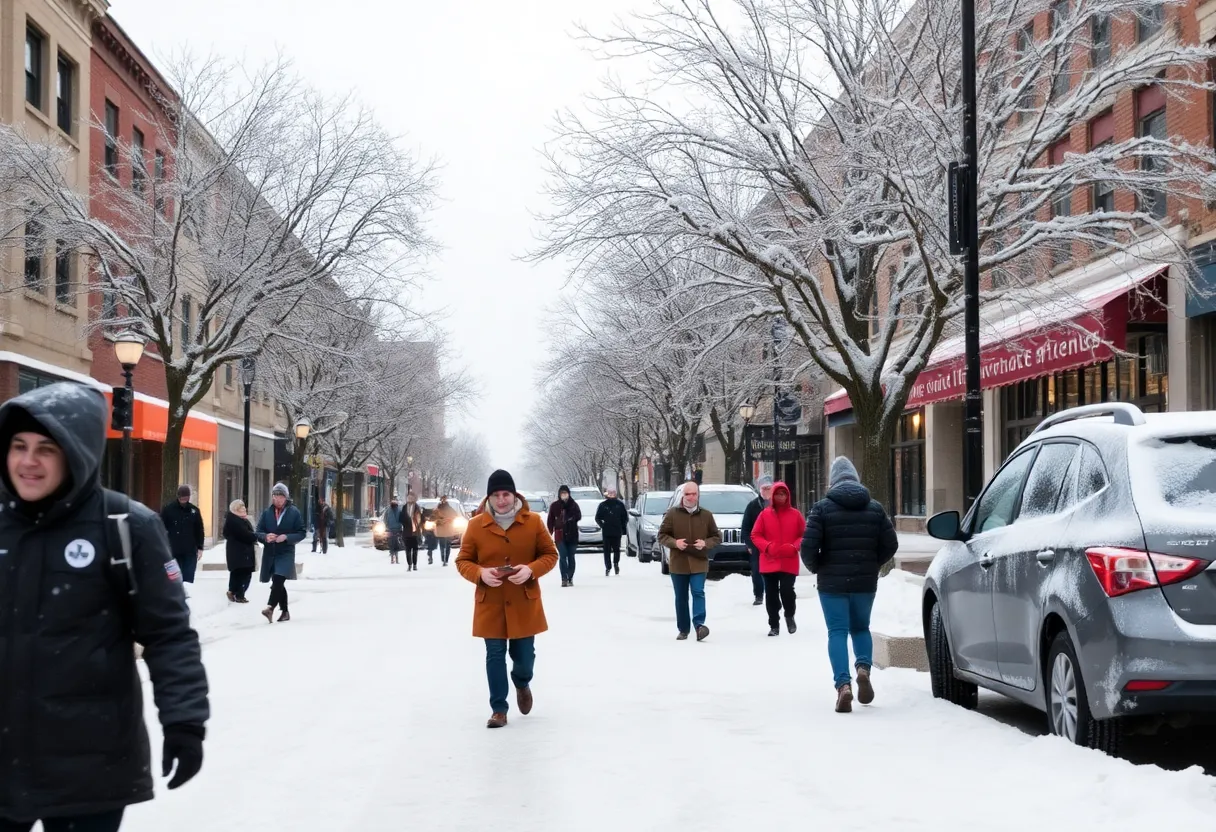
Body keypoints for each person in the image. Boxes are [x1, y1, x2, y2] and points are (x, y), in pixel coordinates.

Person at [0, 383, 209, 831]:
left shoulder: (125, 526)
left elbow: (169, 637)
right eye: (18, 446)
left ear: (76, 453)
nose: (27, 461)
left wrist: (185, 722)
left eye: (45, 449)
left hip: (88, 767)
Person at [456, 470, 558, 728]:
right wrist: (479, 573)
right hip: (490, 601)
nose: (501, 500)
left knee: (524, 658)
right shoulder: (475, 525)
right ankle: (498, 709)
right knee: (494, 654)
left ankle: (522, 682)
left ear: (514, 495)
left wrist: (530, 570)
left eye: (506, 494)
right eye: (496, 495)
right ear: (489, 497)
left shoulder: (533, 522)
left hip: (523, 600)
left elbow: (550, 554)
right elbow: (463, 561)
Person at [801, 456, 899, 713]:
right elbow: (891, 545)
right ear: (856, 480)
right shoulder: (875, 508)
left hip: (832, 583)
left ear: (832, 482)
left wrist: (818, 567)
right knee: (860, 628)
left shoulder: (821, 508)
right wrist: (872, 563)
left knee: (837, 632)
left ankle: (843, 686)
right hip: (865, 582)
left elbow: (808, 546)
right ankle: (864, 668)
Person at [657, 481, 720, 642]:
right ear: (682, 496)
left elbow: (717, 536)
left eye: (694, 494)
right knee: (681, 596)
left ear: (698, 495)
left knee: (698, 592)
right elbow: (662, 535)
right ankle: (683, 629)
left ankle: (699, 626)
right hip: (679, 562)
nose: (691, 497)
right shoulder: (672, 514)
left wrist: (706, 543)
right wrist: (675, 543)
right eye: (687, 494)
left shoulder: (706, 515)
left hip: (699, 561)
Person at [748, 482, 805, 637]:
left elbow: (803, 534)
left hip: (788, 559)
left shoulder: (795, 514)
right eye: (778, 494)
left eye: (783, 494)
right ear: (772, 496)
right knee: (771, 595)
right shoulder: (765, 514)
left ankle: (789, 614)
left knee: (787, 590)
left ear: (788, 496)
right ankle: (774, 624)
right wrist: (767, 546)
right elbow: (755, 534)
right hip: (769, 560)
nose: (781, 497)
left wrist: (794, 546)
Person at [257, 483, 307, 622]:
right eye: (275, 496)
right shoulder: (267, 513)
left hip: (286, 552)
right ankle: (285, 612)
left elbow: (302, 532)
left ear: (286, 497)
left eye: (280, 496)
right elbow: (258, 531)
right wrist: (266, 537)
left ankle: (270, 608)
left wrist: (287, 537)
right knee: (278, 583)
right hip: (270, 552)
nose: (277, 499)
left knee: (279, 578)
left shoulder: (293, 512)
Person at [161, 484, 205, 585]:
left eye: (186, 498)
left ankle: (187, 595)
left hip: (190, 550)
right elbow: (161, 528)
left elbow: (199, 530)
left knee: (188, 578)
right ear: (178, 496)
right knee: (174, 579)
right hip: (173, 550)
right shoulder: (168, 510)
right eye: (182, 498)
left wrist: (200, 547)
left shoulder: (194, 511)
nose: (184, 500)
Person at [741, 475, 774, 606]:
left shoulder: (778, 504)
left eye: (768, 488)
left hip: (774, 544)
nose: (766, 491)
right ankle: (759, 595)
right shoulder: (753, 506)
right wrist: (749, 544)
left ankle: (773, 593)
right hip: (756, 545)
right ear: (759, 489)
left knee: (775, 571)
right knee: (757, 571)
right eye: (764, 488)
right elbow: (745, 528)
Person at [546, 485, 581, 587]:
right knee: (563, 555)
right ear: (559, 495)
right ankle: (564, 578)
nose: (564, 495)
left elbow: (579, 516)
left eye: (565, 493)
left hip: (572, 534)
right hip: (560, 534)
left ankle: (570, 577)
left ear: (569, 494)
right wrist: (550, 532)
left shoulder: (573, 505)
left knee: (571, 556)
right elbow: (550, 520)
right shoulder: (555, 506)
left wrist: (571, 519)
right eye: (562, 493)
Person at [223, 499, 257, 603]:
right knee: (244, 574)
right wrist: (255, 536)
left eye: (244, 508)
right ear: (235, 511)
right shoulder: (236, 521)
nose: (244, 510)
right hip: (242, 552)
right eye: (241, 509)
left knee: (237, 572)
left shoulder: (235, 520)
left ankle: (233, 591)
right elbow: (246, 535)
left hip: (237, 552)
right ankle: (239, 595)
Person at [595, 487, 629, 576]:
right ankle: (608, 567)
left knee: (616, 549)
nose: (611, 495)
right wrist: (603, 525)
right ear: (607, 494)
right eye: (609, 493)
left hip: (617, 531)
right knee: (606, 550)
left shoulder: (619, 505)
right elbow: (597, 517)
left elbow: (625, 517)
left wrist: (622, 527)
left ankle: (616, 564)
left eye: (613, 493)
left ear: (615, 494)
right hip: (606, 532)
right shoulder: (603, 505)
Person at [433, 495, 460, 566]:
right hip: (441, 528)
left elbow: (455, 515)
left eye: (444, 499)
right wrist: (439, 520)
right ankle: (443, 559)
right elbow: (433, 516)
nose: (443, 501)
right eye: (442, 499)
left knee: (447, 544)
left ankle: (446, 559)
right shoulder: (437, 508)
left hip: (448, 528)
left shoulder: (449, 508)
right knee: (442, 544)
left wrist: (449, 520)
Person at [383, 494, 406, 567]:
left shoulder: (397, 510)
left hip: (395, 529)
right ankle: (393, 557)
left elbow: (402, 519)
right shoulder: (389, 511)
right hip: (392, 529)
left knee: (395, 543)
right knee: (393, 543)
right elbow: (385, 519)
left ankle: (395, 557)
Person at [403, 492, 423, 567]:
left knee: (415, 549)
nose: (410, 499)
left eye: (411, 497)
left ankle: (414, 564)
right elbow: (401, 518)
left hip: (415, 532)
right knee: (407, 550)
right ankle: (409, 564)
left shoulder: (417, 507)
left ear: (414, 498)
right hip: (407, 531)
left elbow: (420, 518)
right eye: (408, 497)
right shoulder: (404, 507)